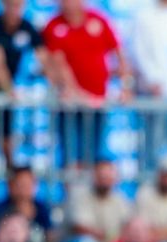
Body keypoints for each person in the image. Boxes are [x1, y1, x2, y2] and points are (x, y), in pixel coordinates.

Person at [41, 0, 129, 166]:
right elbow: (54, 63)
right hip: (68, 103)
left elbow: (119, 54)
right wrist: (72, 91)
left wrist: (126, 86)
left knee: (96, 151)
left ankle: (91, 189)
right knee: (69, 151)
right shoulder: (53, 25)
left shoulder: (99, 21)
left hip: (97, 101)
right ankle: (69, 189)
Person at [0, 0, 40, 163]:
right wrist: (8, 89)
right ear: (3, 4)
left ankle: (12, 183)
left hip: (5, 94)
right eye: (11, 4)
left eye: (18, 5)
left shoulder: (27, 27)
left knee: (7, 143)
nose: (14, 9)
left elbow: (45, 57)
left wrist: (59, 84)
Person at [65, 158, 132, 242]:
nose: (104, 180)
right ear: (94, 176)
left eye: (108, 176)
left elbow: (128, 226)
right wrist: (110, 237)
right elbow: (80, 228)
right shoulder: (80, 195)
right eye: (101, 176)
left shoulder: (120, 199)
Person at [0, 162, 55, 242]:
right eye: (20, 185)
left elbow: (50, 237)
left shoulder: (42, 208)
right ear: (10, 186)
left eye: (28, 184)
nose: (24, 190)